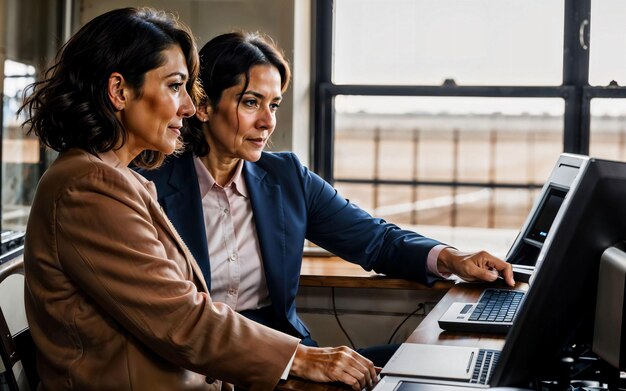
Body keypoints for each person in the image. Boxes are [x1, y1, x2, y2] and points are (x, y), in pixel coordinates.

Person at [19, 8, 378, 391]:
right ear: (119, 91)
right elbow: (179, 318)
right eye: (175, 86)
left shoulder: (115, 178)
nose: (189, 107)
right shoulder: (87, 188)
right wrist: (302, 358)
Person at [138, 31, 515, 367]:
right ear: (203, 106)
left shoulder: (286, 177)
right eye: (251, 102)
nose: (268, 122)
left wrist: (453, 258)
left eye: (274, 105)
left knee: (429, 363)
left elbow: (376, 240)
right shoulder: (148, 185)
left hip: (288, 352)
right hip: (200, 365)